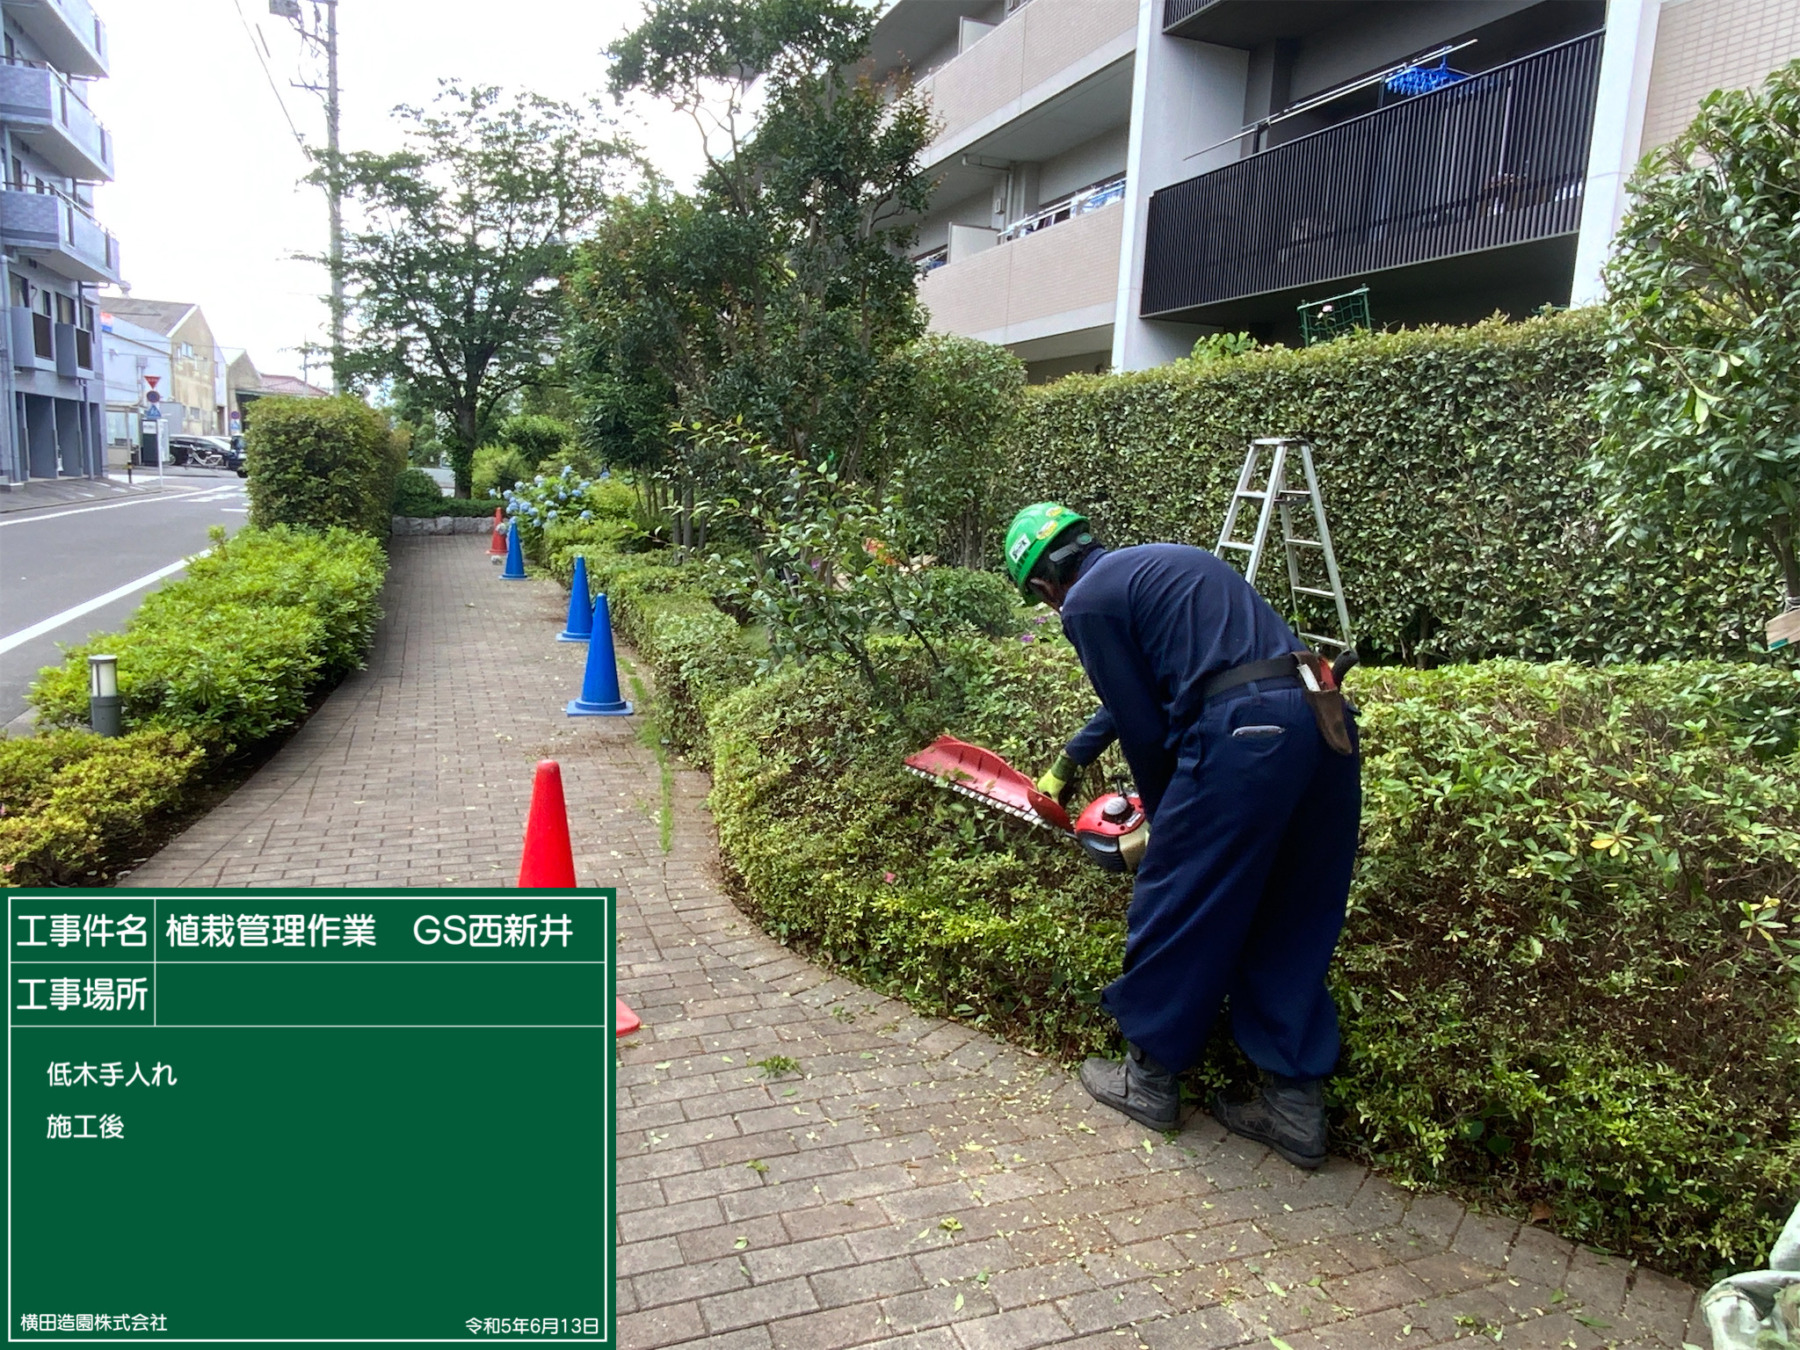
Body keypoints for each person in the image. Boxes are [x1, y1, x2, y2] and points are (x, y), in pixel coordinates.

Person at [1002, 502, 1361, 1169]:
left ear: (1047, 587)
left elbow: (1143, 727)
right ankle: (1294, 1109)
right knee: (1291, 909)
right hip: (1323, 718)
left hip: (1247, 734)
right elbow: (1145, 692)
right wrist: (1071, 760)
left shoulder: (1087, 606)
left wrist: (1164, 825)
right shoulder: (1160, 565)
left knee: (1178, 898)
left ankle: (1151, 1078)